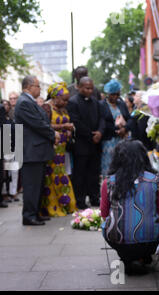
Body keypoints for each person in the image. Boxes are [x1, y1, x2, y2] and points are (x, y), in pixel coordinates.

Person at [101, 139, 159, 275]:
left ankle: (127, 257)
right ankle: (142, 256)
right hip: (150, 239)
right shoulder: (155, 180)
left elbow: (104, 214)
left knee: (105, 225)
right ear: (143, 157)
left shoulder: (109, 182)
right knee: (154, 225)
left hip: (118, 239)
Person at [15, 76, 59, 226]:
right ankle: (29, 215)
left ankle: (36, 212)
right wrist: (53, 134)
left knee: (38, 184)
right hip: (31, 151)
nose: (40, 89)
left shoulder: (28, 101)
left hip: (36, 151)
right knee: (31, 186)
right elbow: (37, 124)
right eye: (38, 86)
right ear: (29, 87)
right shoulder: (24, 103)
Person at [67, 77, 105, 210]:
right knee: (80, 174)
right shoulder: (73, 102)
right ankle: (80, 200)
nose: (89, 90)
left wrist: (100, 132)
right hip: (81, 144)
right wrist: (91, 135)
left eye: (91, 88)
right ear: (79, 87)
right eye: (86, 88)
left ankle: (95, 198)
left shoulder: (96, 102)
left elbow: (102, 118)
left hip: (95, 144)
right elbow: (76, 122)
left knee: (94, 174)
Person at [40, 82, 77, 217]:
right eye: (64, 99)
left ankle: (66, 204)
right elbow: (44, 125)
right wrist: (64, 126)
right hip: (52, 147)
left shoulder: (62, 108)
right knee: (52, 176)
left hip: (62, 149)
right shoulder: (46, 107)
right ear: (55, 97)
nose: (66, 102)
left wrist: (68, 131)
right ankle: (53, 207)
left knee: (62, 174)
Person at [99, 79, 130, 178]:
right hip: (109, 141)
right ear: (108, 93)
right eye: (113, 94)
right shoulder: (102, 105)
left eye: (117, 94)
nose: (115, 97)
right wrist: (116, 130)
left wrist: (125, 128)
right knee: (110, 166)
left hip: (122, 140)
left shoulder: (121, 104)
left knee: (123, 165)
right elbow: (102, 123)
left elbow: (129, 119)